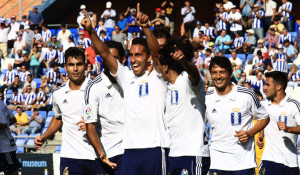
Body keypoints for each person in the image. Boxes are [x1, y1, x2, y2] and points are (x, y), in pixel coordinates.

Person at [81, 4, 169, 174]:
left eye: (138, 55)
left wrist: (145, 27)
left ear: (148, 57)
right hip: (130, 151)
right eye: (131, 55)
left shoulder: (158, 75)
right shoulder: (126, 77)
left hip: (156, 148)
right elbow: (106, 54)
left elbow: (157, 54)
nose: (133, 59)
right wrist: (91, 31)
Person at [34, 47, 115, 175]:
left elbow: (111, 118)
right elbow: (59, 117)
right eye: (71, 65)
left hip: (96, 156)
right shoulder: (58, 93)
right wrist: (44, 137)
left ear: (86, 65)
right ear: (65, 67)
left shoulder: (98, 89)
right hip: (70, 157)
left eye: (79, 64)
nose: (75, 69)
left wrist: (93, 125)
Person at [206, 56, 270, 174]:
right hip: (217, 162)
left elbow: (265, 117)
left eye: (222, 72)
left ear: (230, 73)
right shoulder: (207, 97)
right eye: (214, 73)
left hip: (243, 163)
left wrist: (250, 133)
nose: (218, 76)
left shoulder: (247, 95)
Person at [158, 39, 205, 174]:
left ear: (165, 66)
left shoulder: (187, 81)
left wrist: (184, 62)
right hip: (173, 154)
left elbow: (195, 76)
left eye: (160, 65)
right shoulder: (167, 87)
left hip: (192, 153)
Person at [84, 40, 125, 175]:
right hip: (109, 155)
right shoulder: (94, 87)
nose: (110, 61)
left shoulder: (132, 81)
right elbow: (90, 126)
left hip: (132, 151)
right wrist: (102, 154)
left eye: (115, 58)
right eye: (107, 57)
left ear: (123, 60)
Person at [259, 71, 300, 174]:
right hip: (269, 160)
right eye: (264, 84)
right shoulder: (263, 105)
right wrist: (261, 134)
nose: (264, 88)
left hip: (290, 162)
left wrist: (288, 129)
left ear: (278, 87)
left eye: (268, 85)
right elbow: (264, 119)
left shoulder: (293, 105)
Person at [0, 99, 22, 175]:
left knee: (11, 171)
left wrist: (5, 127)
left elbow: (3, 124)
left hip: (4, 147)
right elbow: (13, 119)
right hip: (5, 144)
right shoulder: (1, 103)